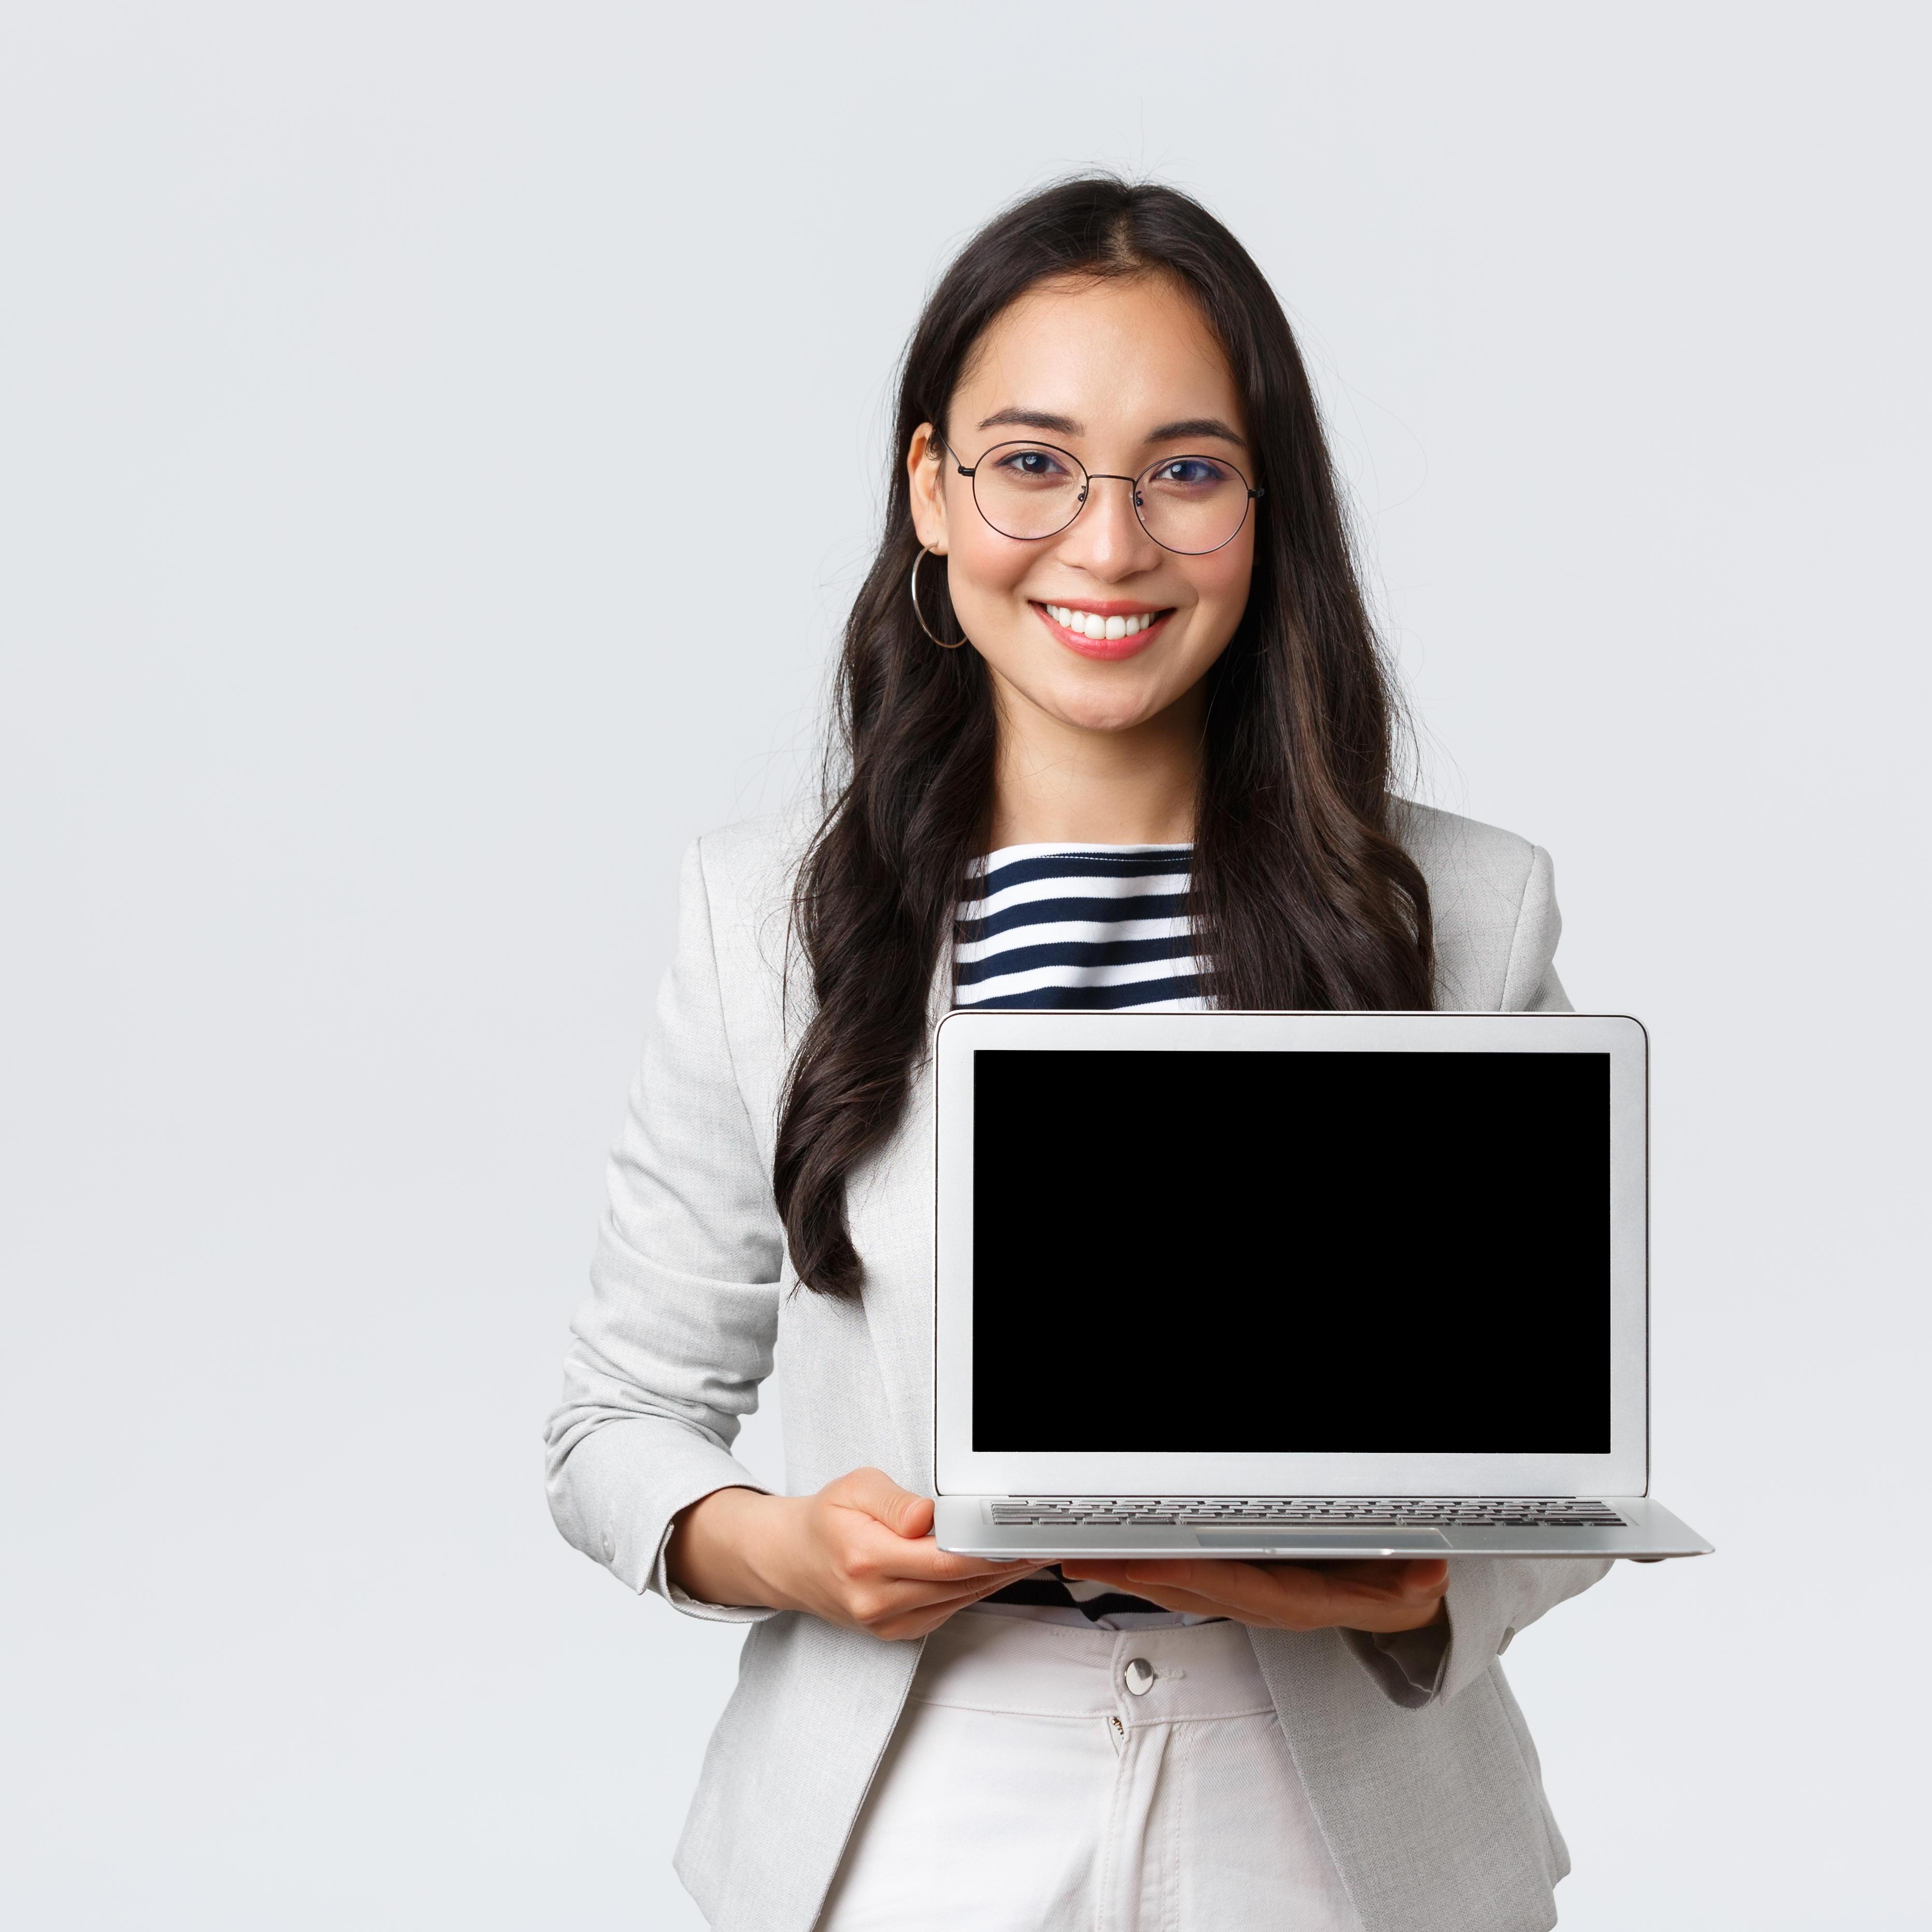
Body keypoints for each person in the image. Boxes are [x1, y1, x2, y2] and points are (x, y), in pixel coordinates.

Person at [544, 176, 1608, 1932]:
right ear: (932, 496)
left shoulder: (1466, 911)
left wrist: (1401, 1593)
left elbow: (1545, 1473)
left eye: (1185, 473)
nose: (1107, 546)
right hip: (911, 1809)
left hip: (1336, 1825)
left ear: (1266, 515)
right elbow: (618, 1425)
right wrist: (793, 1550)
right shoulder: (763, 924)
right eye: (1033, 463)